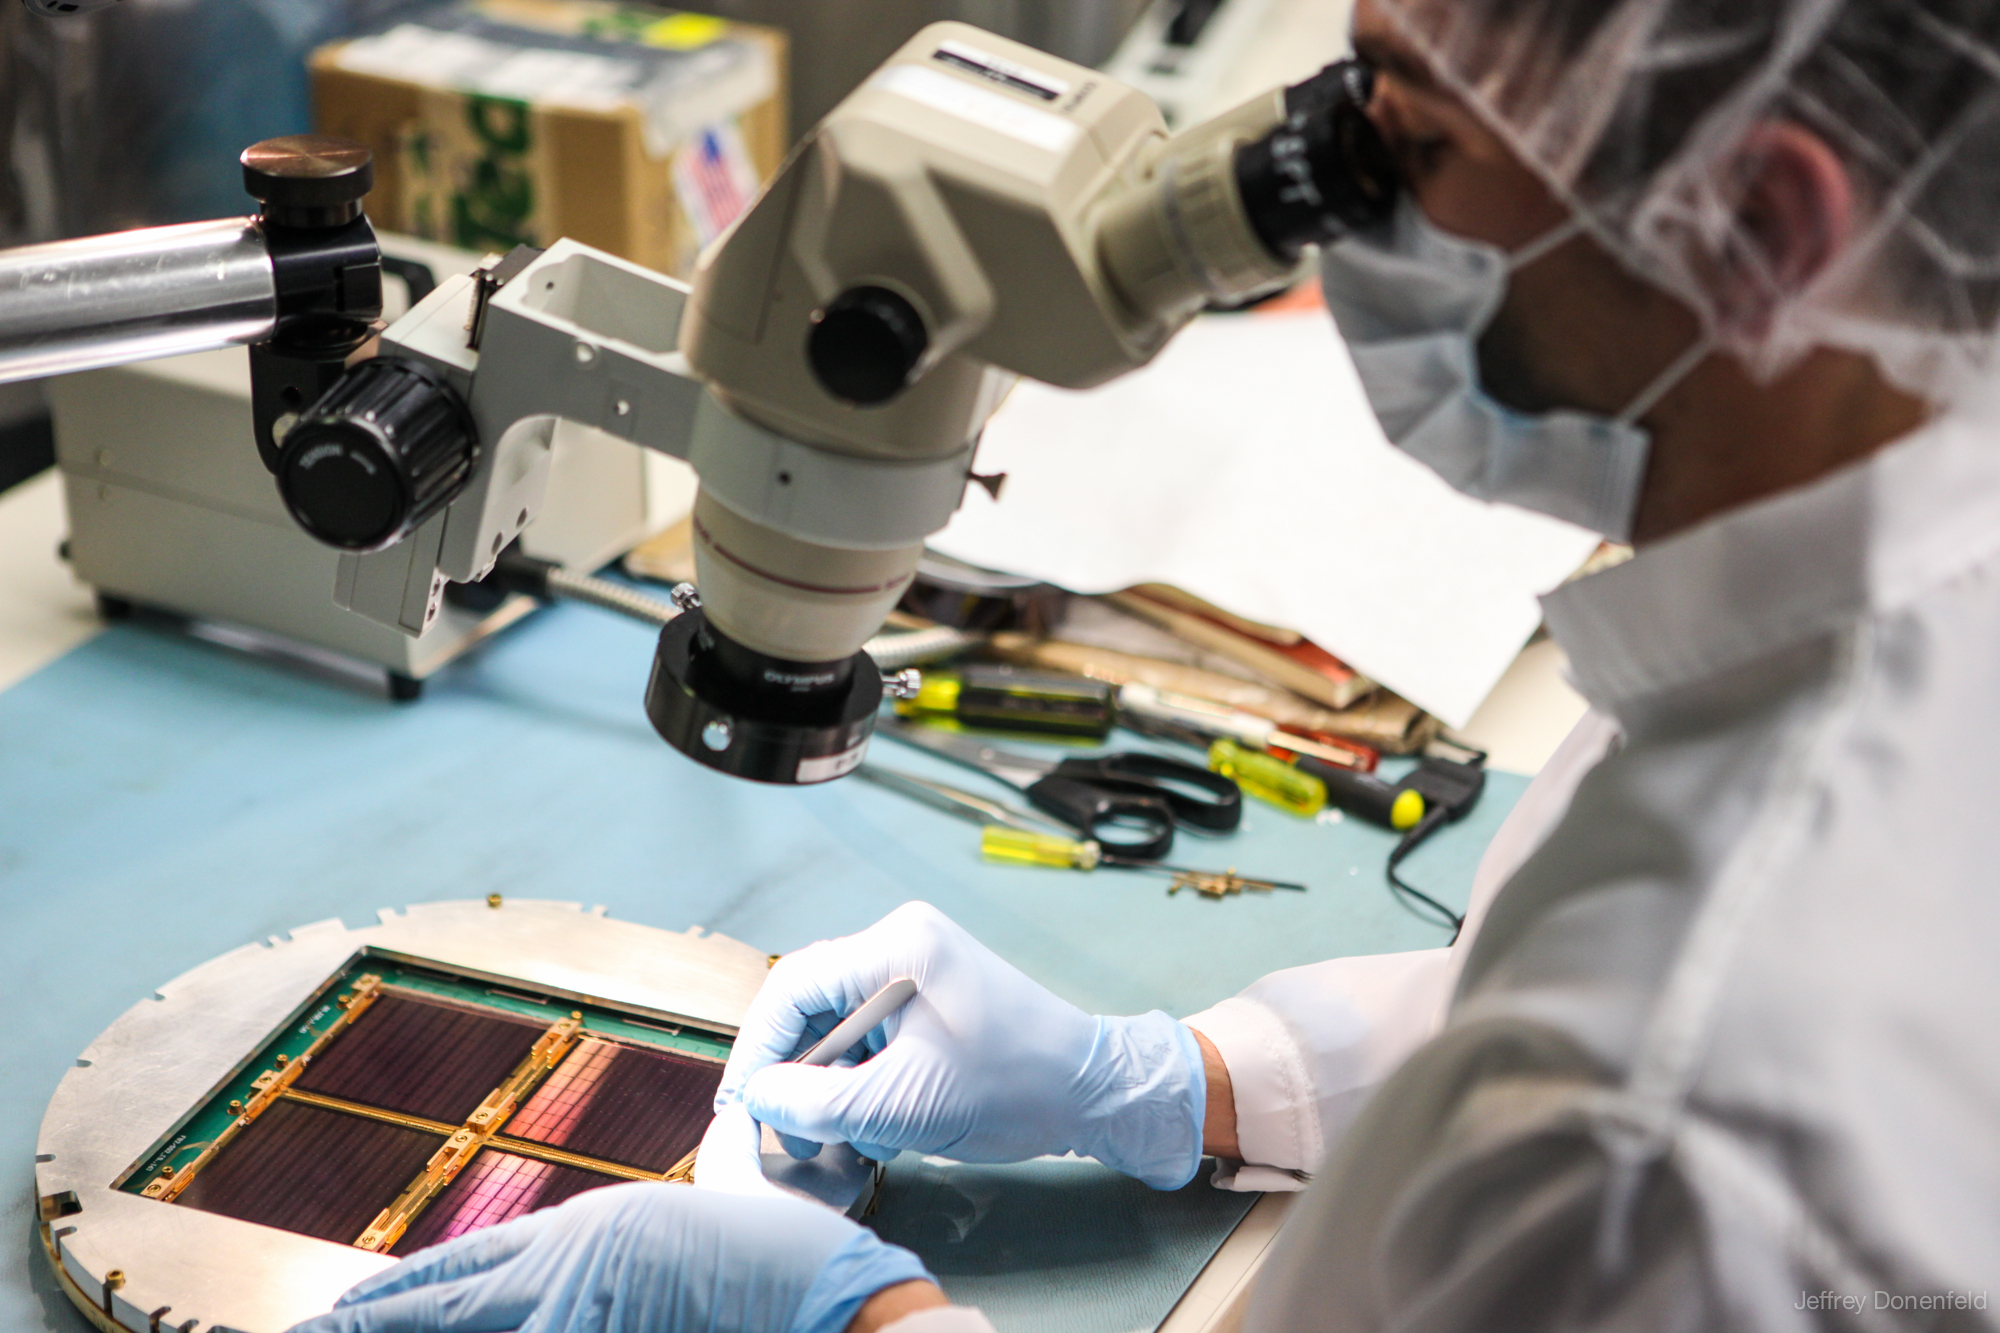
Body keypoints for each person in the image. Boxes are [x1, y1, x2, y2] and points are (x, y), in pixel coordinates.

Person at [296, 0, 2000, 1328]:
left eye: (1400, 134)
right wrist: (1168, 1079)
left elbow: (1603, 1126)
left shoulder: (1672, 1113)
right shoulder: (1889, 564)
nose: (1328, 200)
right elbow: (1528, 1033)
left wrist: (847, 1310)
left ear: (1765, 224)